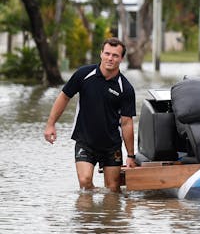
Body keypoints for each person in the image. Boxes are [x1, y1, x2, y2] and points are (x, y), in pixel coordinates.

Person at [44, 37, 137, 192]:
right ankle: (90, 213)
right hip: (85, 141)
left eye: (115, 55)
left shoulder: (125, 88)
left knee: (113, 190)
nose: (110, 58)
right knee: (85, 182)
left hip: (111, 145)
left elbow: (127, 123)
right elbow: (64, 96)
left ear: (121, 58)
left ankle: (106, 213)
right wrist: (50, 124)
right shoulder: (83, 74)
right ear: (101, 54)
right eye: (107, 53)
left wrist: (131, 155)